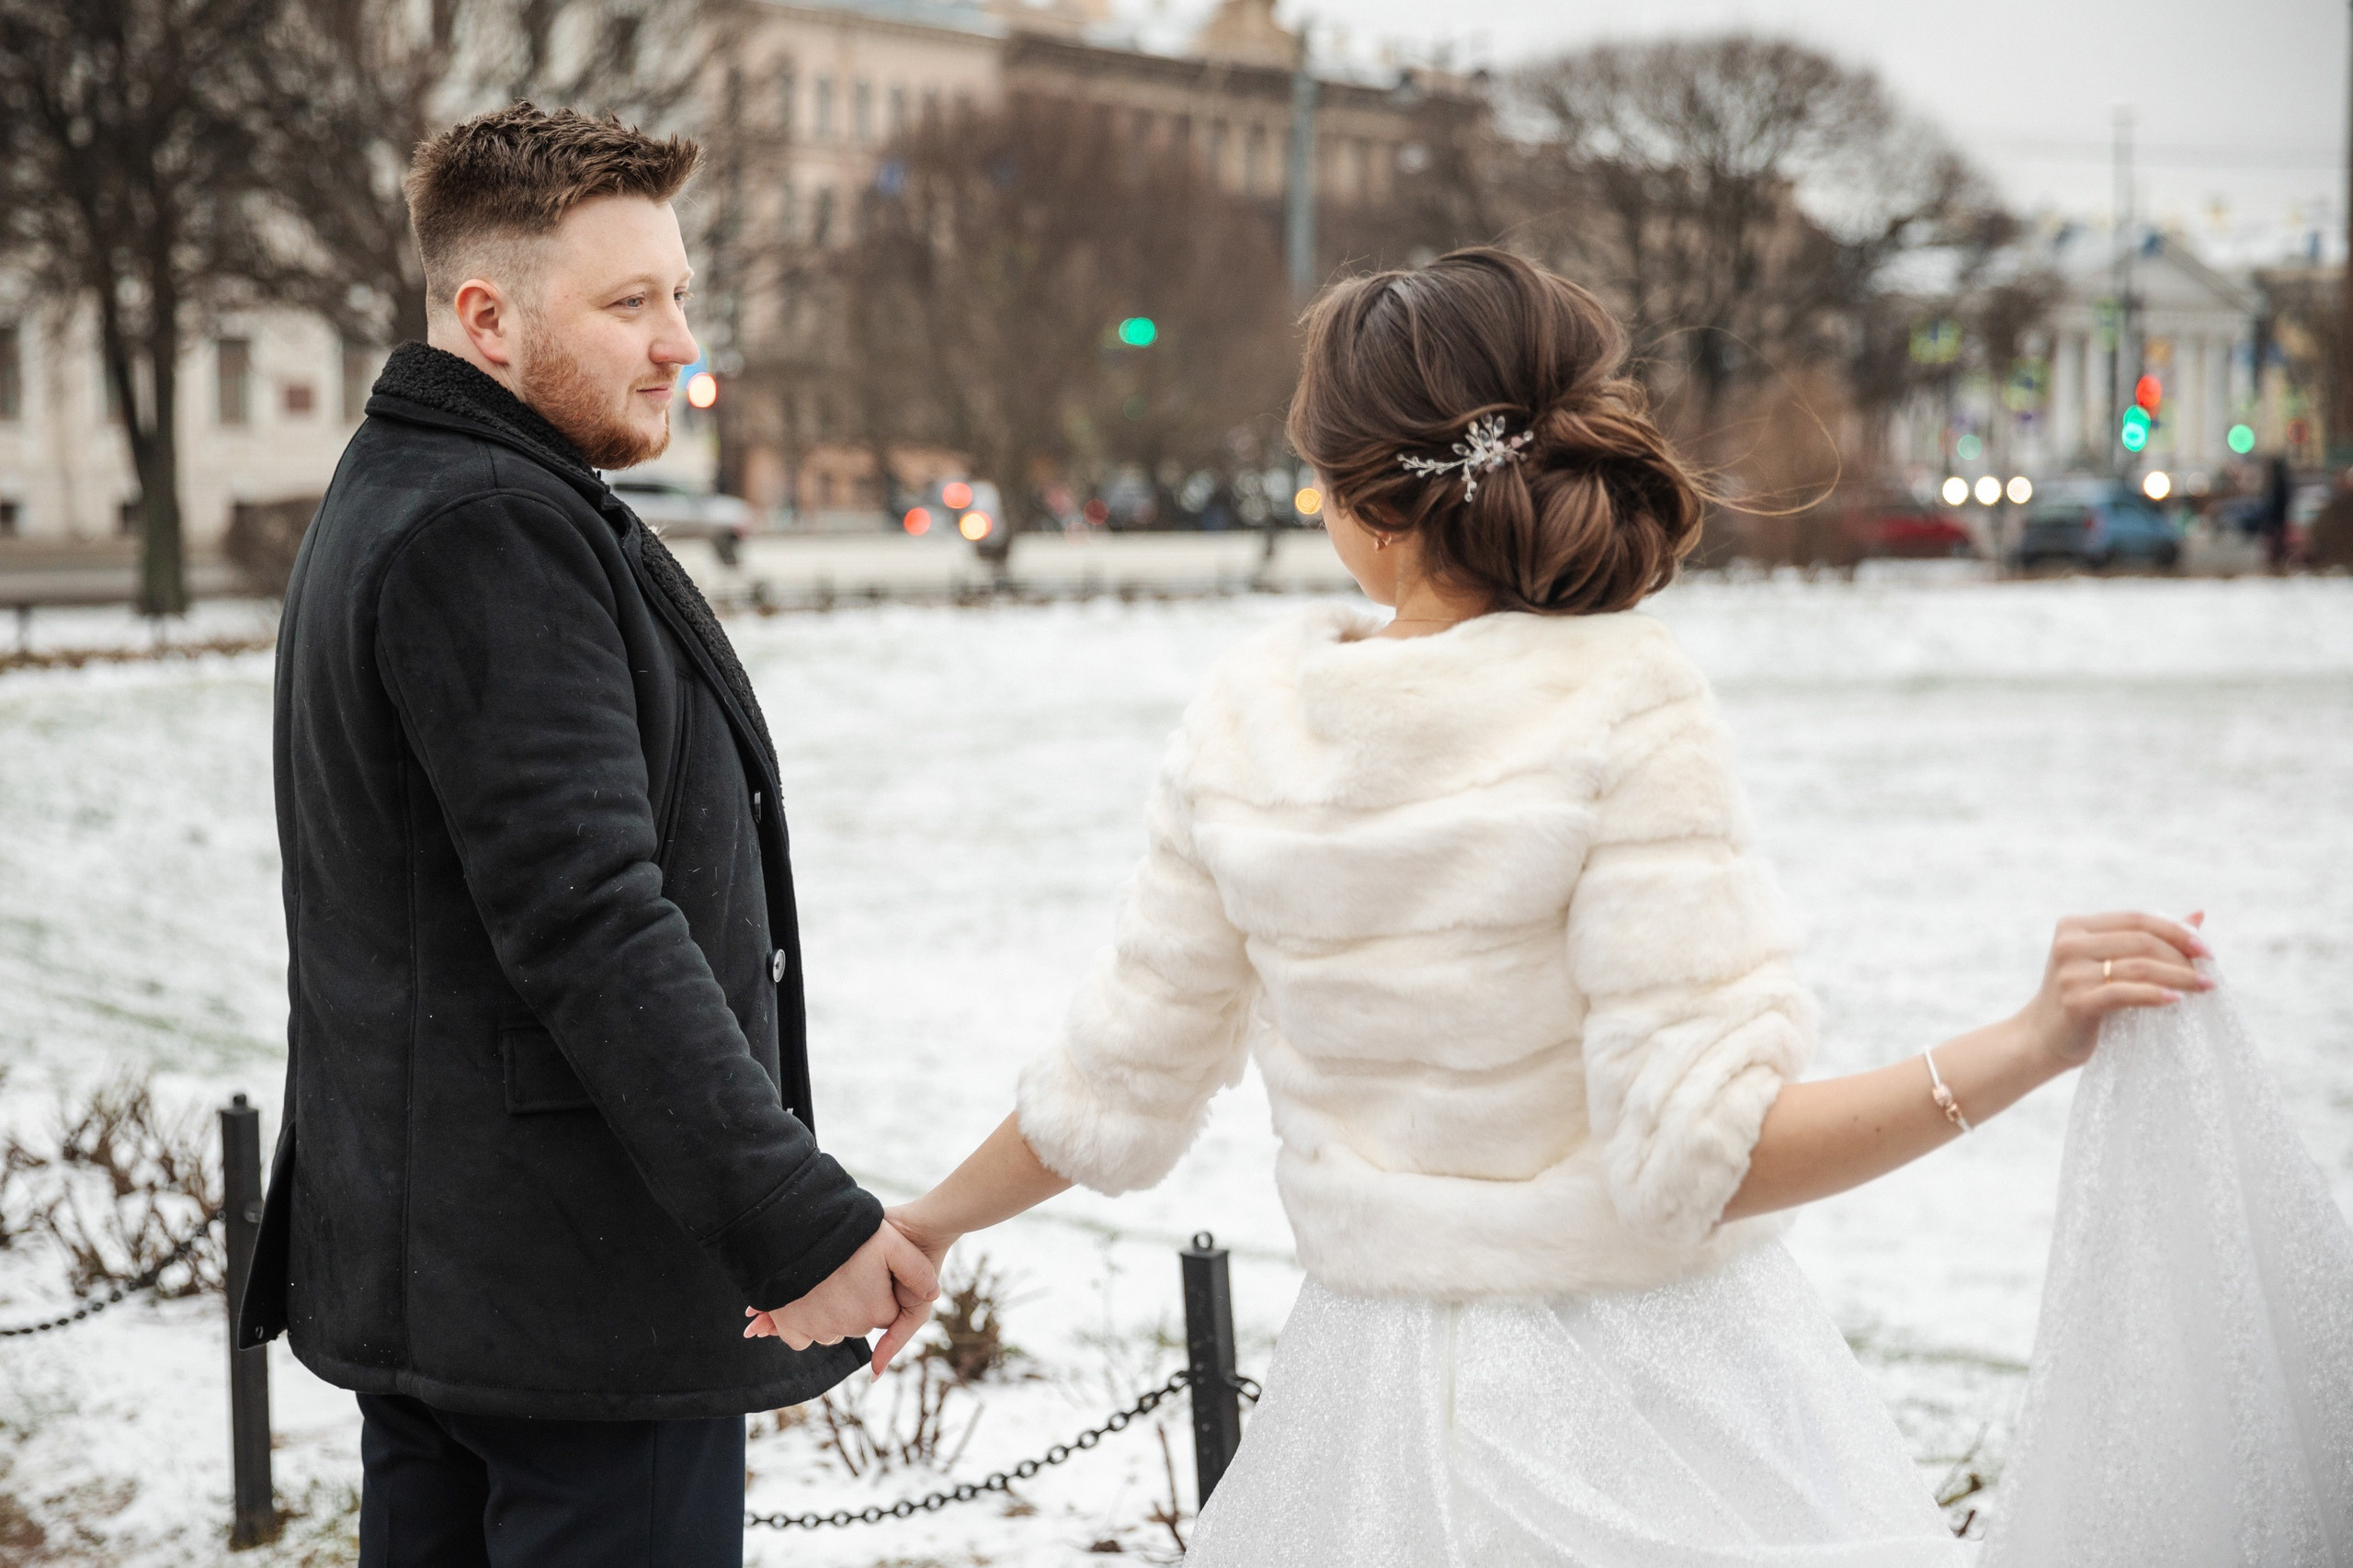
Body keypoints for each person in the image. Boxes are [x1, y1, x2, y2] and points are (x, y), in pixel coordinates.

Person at [759, 249, 2209, 1561]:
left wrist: (929, 1221)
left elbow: (1116, 1087)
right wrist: (2020, 1044)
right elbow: (1703, 1157)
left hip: (1364, 1415)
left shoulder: (1251, 726)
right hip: (1641, 1410)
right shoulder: (1625, 702)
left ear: (1353, 492)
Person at [239, 105, 937, 1567]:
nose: (679, 340)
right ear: (485, 318)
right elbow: (592, 920)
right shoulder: (490, 522)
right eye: (631, 304)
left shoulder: (413, 489)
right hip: (571, 1315)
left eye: (678, 294)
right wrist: (798, 1222)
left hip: (474, 1298)